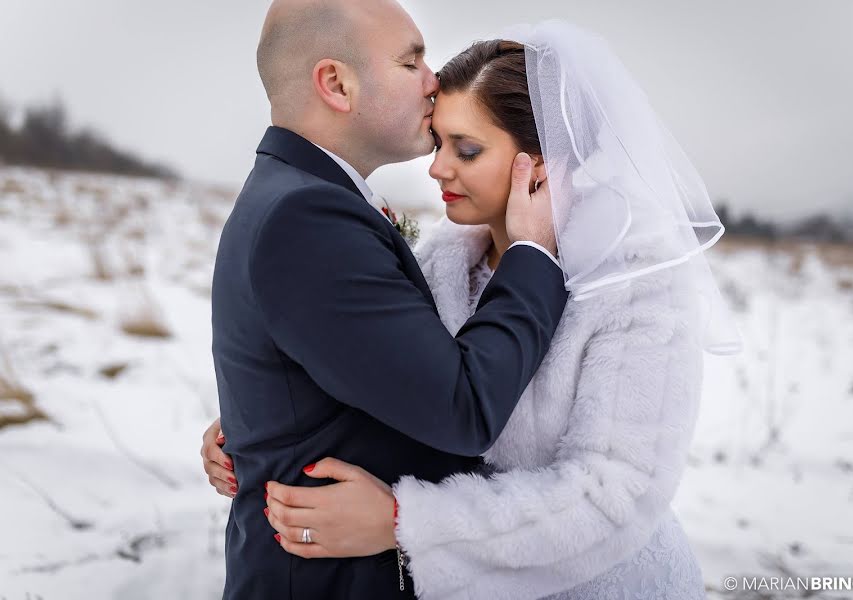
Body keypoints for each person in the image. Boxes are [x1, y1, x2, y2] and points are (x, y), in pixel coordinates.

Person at [205, 20, 742, 599]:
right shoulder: (443, 263)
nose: (437, 168)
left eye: (466, 149)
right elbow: (396, 377)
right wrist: (267, 423)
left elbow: (616, 496)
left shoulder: (635, 283)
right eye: (439, 143)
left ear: (540, 162)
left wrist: (407, 523)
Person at [206, 0, 571, 597]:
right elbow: (464, 407)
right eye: (412, 61)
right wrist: (532, 253)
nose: (434, 80)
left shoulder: (299, 195)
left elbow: (342, 359)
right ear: (336, 84)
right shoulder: (309, 217)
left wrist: (267, 417)